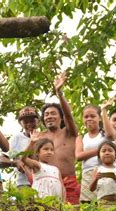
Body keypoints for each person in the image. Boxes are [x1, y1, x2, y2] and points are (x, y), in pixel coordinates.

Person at [38, 72, 80, 204]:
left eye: (53, 113)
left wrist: (59, 93)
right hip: (46, 181)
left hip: (69, 181)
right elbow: (29, 160)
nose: (49, 116)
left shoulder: (69, 132)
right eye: (46, 114)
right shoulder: (39, 137)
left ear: (61, 118)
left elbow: (69, 115)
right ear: (43, 119)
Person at [75, 99, 115, 203]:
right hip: (88, 173)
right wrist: (101, 149)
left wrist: (104, 110)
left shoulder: (104, 135)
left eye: (92, 116)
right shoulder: (81, 137)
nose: (89, 119)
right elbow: (79, 156)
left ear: (99, 118)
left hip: (105, 171)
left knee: (106, 204)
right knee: (87, 205)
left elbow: (111, 135)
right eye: (86, 117)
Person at [0, 107, 39, 188]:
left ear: (38, 121)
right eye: (25, 122)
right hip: (24, 184)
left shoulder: (44, 137)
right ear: (20, 123)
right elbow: (1, 161)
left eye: (32, 121)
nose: (29, 124)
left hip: (43, 181)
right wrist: (15, 163)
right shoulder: (16, 139)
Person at [89, 140, 116, 206]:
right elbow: (91, 189)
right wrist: (96, 179)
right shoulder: (97, 170)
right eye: (103, 151)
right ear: (99, 155)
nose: (107, 153)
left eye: (110, 150)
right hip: (103, 203)